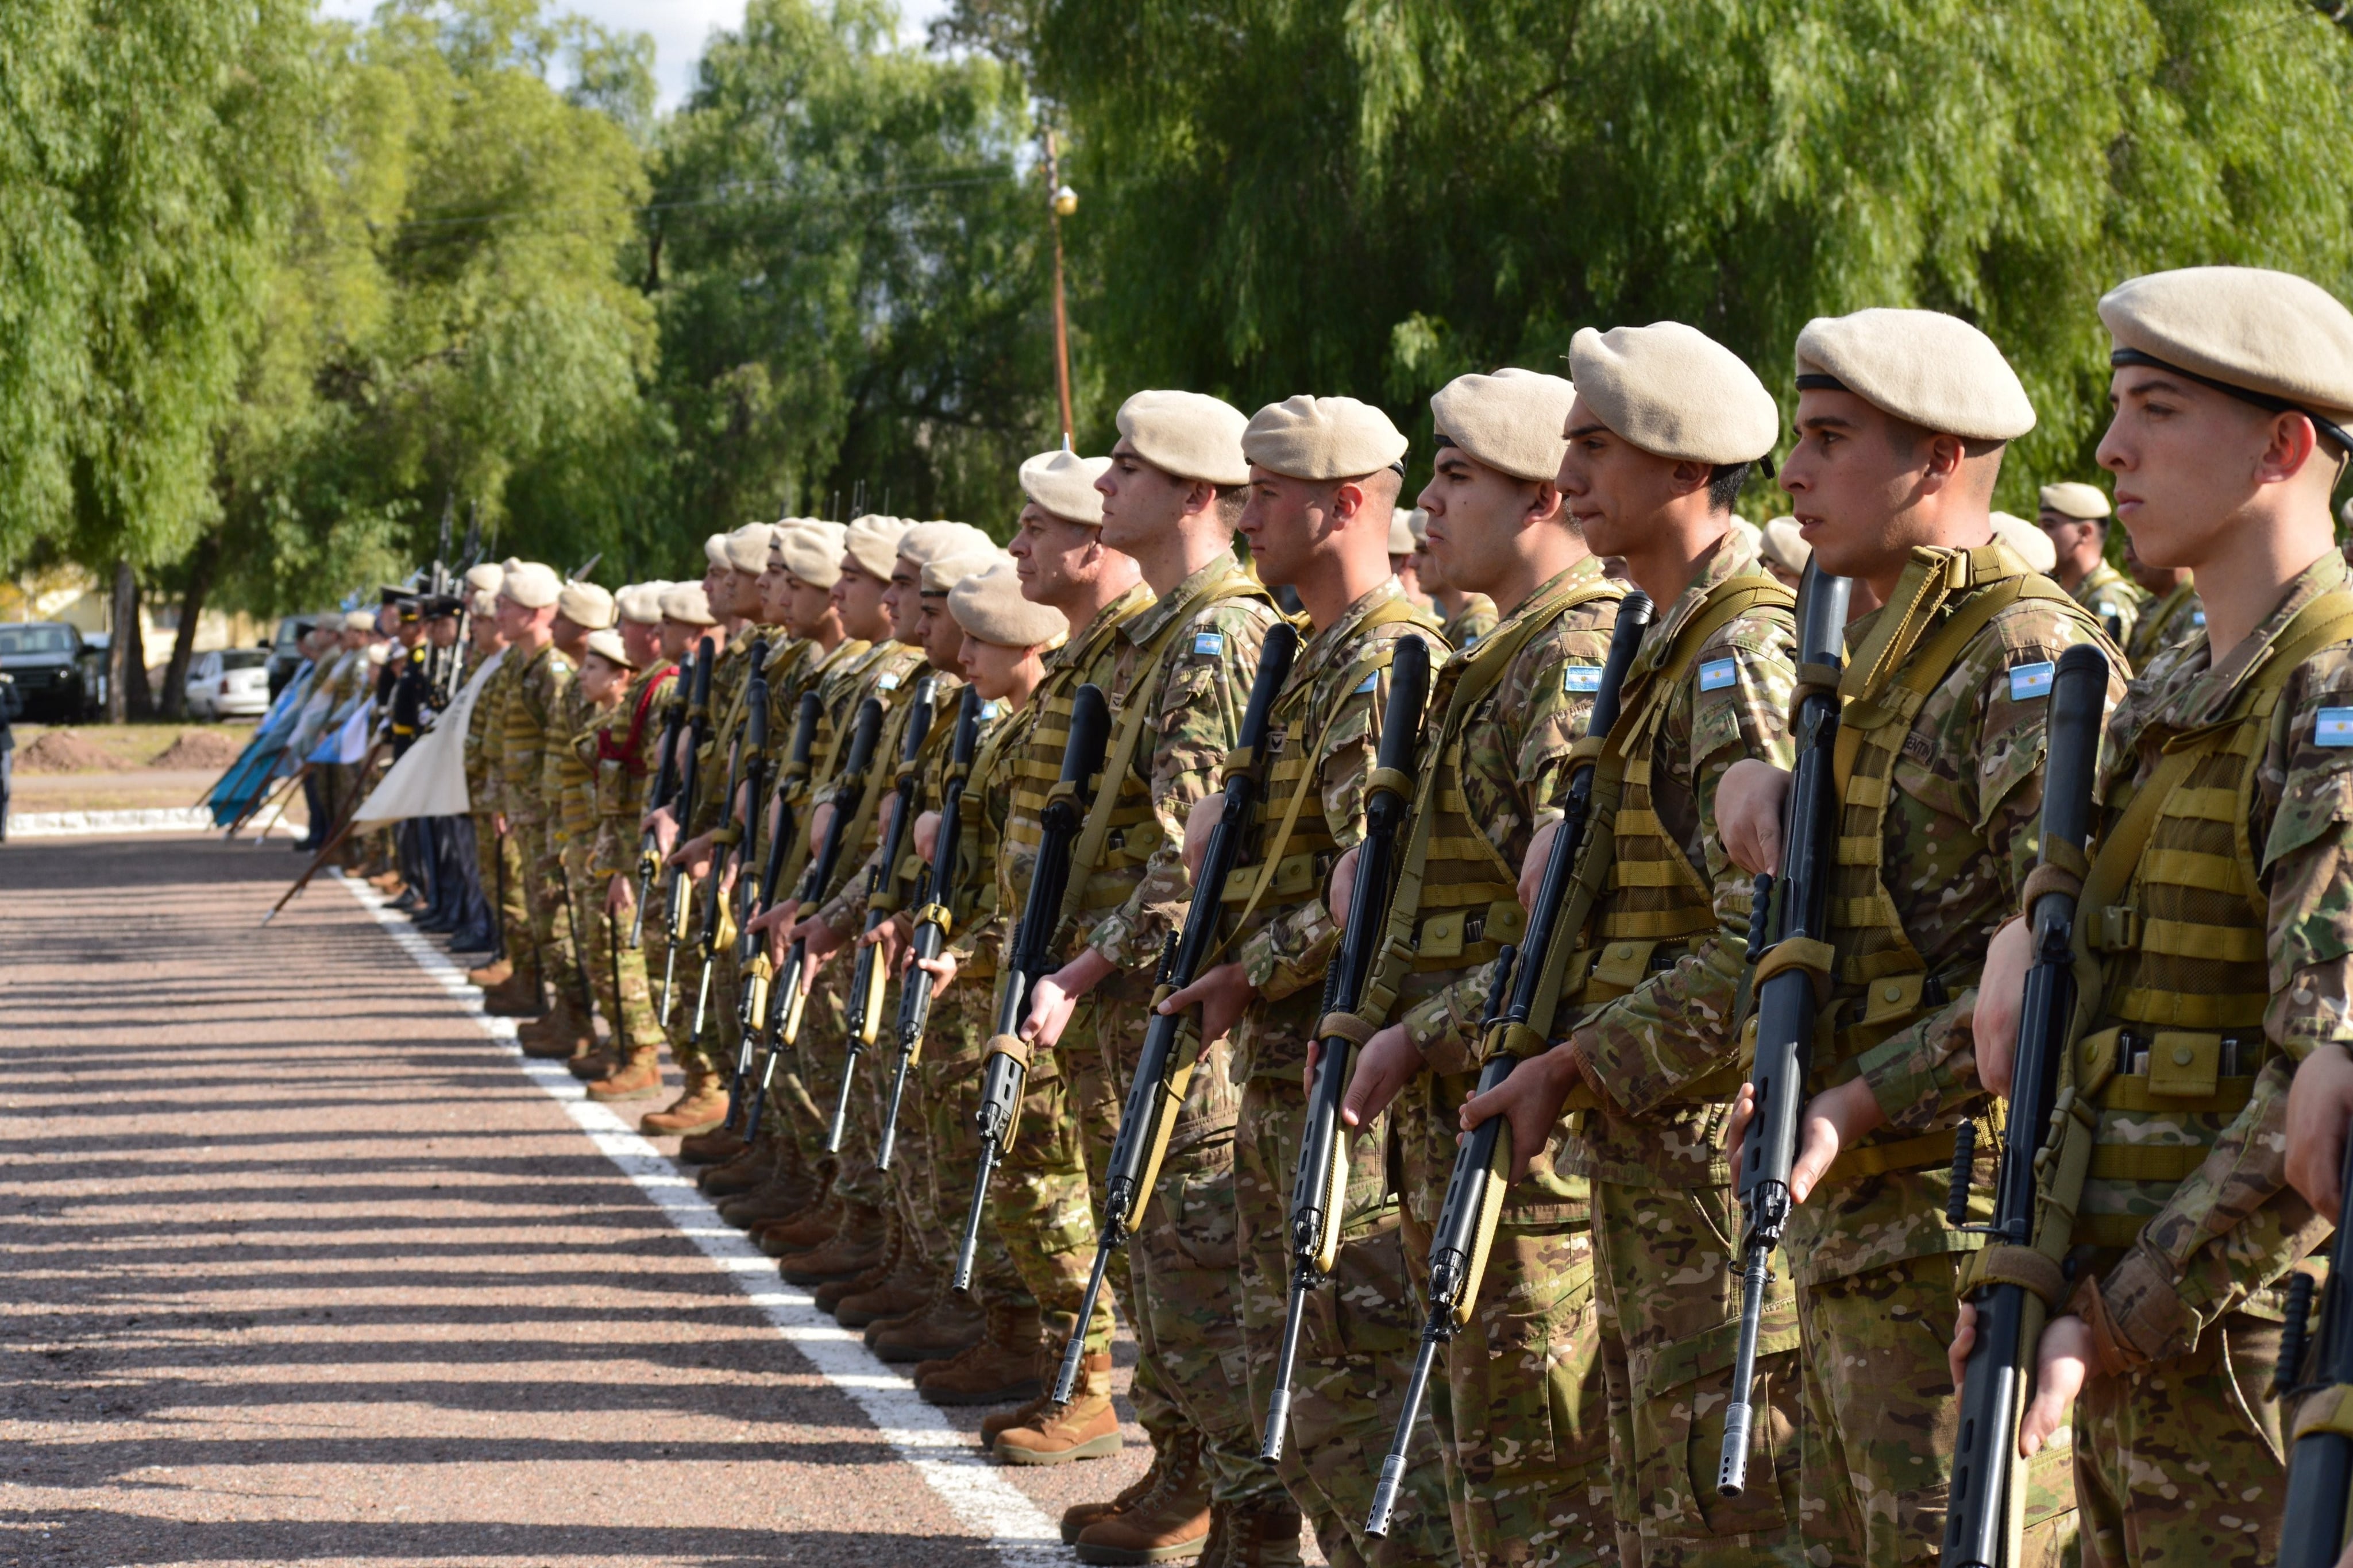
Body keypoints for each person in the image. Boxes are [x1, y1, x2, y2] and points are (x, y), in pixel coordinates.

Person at [1957, 265, 2353, 1568]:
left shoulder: (2333, 696)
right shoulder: (2180, 667)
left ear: (2282, 446)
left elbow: (2313, 1096)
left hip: (2236, 1357)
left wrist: (2109, 1319)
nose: (2110, 449)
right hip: (2121, 1321)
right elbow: (2099, 946)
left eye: (2155, 410)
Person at [1712, 307, 2121, 1564]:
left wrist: (1853, 1100)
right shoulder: (1877, 647)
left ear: (1938, 462)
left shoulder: (2022, 650)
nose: (1790, 472)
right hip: (1861, 1228)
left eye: (1829, 439)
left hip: (1953, 1229)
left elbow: (2053, 970)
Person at [1455, 322, 1808, 1567]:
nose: (1566, 478)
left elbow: (1765, 937)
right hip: (1647, 1156)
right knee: (1650, 1506)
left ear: (1678, 467)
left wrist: (1579, 1063)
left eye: (1593, 447)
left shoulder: (1735, 651)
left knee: (1721, 1516)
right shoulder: (1656, 640)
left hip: (1704, 1165)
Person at [1336, 365, 1625, 1568]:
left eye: (1457, 478)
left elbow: (1560, 930)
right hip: (1460, 1103)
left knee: (1535, 1483)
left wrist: (1420, 1034)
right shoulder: (1492, 651)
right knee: (1480, 1467)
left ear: (1543, 493)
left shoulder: (1573, 653)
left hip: (1522, 1131)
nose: (1426, 507)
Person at [1156, 394, 1452, 1566]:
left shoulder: (1387, 660)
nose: (1243, 516)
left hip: (1347, 1081)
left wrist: (1249, 969)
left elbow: (1360, 896)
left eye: (1266, 496)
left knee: (1348, 1391)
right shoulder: (1310, 652)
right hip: (1294, 1068)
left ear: (1342, 505)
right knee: (1300, 1378)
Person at [1010, 391, 1296, 1562]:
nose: (1102, 486)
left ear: (1190, 496)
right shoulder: (1164, 630)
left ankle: (1248, 1519)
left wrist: (1082, 966)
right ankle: (1183, 1477)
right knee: (1156, 1256)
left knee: (1196, 1269)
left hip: (1175, 1010)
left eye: (1126, 469)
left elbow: (1195, 864)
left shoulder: (1219, 636)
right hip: (1132, 1000)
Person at [2040, 480, 2150, 650]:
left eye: (2049, 525)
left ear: (2084, 533)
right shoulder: (2071, 591)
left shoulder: (2107, 598)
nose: (2040, 533)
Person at [2121, 531, 2204, 667]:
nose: (2127, 556)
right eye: (2127, 544)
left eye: (2135, 544)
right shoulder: (2151, 607)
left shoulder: (2199, 607)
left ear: (2173, 547)